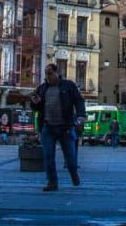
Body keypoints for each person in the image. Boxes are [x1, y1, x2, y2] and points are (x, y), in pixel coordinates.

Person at [30, 63, 86, 192]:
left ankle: (73, 173)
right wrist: (34, 103)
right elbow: (37, 108)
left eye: (50, 73)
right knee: (49, 156)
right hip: (48, 127)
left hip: (65, 127)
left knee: (70, 157)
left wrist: (81, 115)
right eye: (46, 74)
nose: (47, 76)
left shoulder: (68, 85)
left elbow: (79, 100)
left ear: (56, 73)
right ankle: (52, 182)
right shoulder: (42, 88)